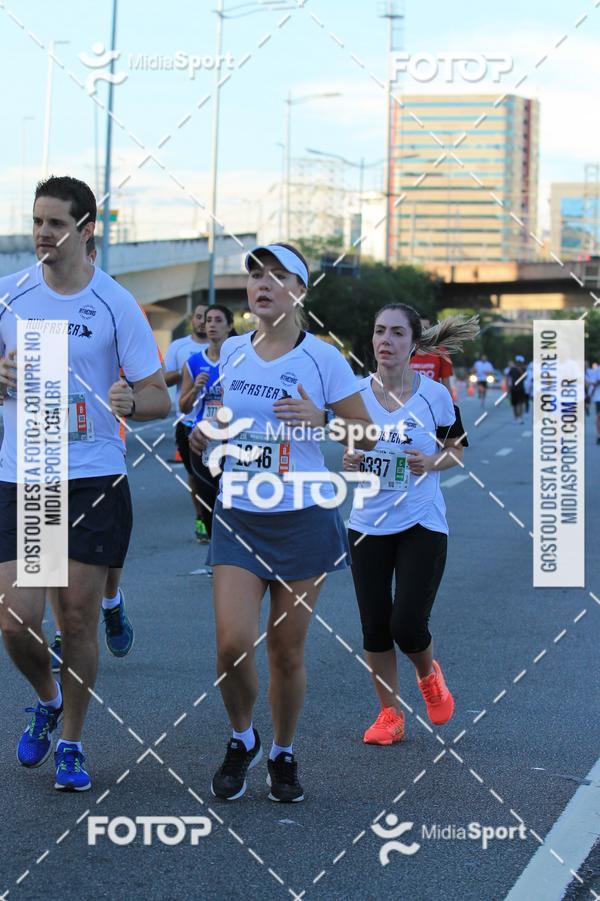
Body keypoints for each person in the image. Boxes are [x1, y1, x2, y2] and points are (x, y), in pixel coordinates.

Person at [0, 176, 170, 792]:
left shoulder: (114, 303)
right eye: (37, 221)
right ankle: (47, 700)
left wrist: (132, 399)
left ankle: (70, 740)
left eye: (55, 223)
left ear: (87, 228)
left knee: (75, 617)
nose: (43, 233)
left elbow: (159, 398)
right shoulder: (9, 296)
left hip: (91, 472)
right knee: (17, 622)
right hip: (25, 472)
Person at [190, 242, 375, 803]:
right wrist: (206, 434)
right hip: (241, 513)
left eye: (276, 275)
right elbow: (222, 414)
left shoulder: (323, 358)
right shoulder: (234, 354)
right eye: (255, 275)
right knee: (231, 644)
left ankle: (283, 752)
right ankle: (243, 737)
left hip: (303, 517)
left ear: (299, 289)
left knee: (286, 651)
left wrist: (322, 420)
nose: (262, 284)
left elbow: (365, 435)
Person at [343, 304, 476, 745]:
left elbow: (456, 451)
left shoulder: (435, 395)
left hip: (421, 520)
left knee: (407, 625)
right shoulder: (355, 394)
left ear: (413, 344)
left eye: (397, 333)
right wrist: (352, 459)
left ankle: (428, 676)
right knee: (375, 627)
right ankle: (390, 716)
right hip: (367, 522)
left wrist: (430, 461)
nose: (386, 340)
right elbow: (353, 449)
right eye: (379, 331)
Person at [47, 234, 164, 668]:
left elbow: (150, 381)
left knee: (107, 557)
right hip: (42, 457)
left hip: (98, 451)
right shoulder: (33, 303)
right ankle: (64, 632)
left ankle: (111, 603)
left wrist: (129, 399)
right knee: (54, 558)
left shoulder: (113, 304)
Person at [179, 304, 235, 553]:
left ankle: (232, 549)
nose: (211, 324)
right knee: (208, 496)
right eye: (208, 320)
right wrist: (195, 389)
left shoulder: (239, 361)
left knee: (231, 497)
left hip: (231, 439)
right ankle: (217, 551)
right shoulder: (193, 362)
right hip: (203, 439)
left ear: (230, 326)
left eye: (218, 320)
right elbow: (183, 405)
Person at [164, 304, 209, 540]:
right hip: (188, 420)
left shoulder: (225, 348)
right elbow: (164, 379)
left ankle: (220, 520)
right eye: (200, 317)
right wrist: (186, 371)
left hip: (219, 423)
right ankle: (201, 517)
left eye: (209, 318)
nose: (204, 322)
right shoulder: (179, 347)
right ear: (193, 319)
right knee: (194, 474)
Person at [409, 313, 453, 392]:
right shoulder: (405, 351)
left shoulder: (441, 352)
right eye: (419, 329)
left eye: (426, 328)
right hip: (409, 401)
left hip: (432, 401)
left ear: (431, 330)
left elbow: (446, 384)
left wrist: (450, 403)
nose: (422, 333)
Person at [505, 356, 526, 424]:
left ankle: (520, 417)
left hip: (521, 388)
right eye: (518, 362)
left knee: (520, 403)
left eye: (520, 362)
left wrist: (519, 370)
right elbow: (508, 377)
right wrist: (507, 387)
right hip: (513, 388)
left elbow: (524, 377)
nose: (519, 363)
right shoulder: (512, 369)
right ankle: (516, 417)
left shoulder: (523, 368)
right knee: (514, 404)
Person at [587, 361, 600, 444]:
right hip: (598, 398)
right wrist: (590, 395)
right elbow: (594, 384)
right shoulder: (597, 371)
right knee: (598, 417)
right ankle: (599, 435)